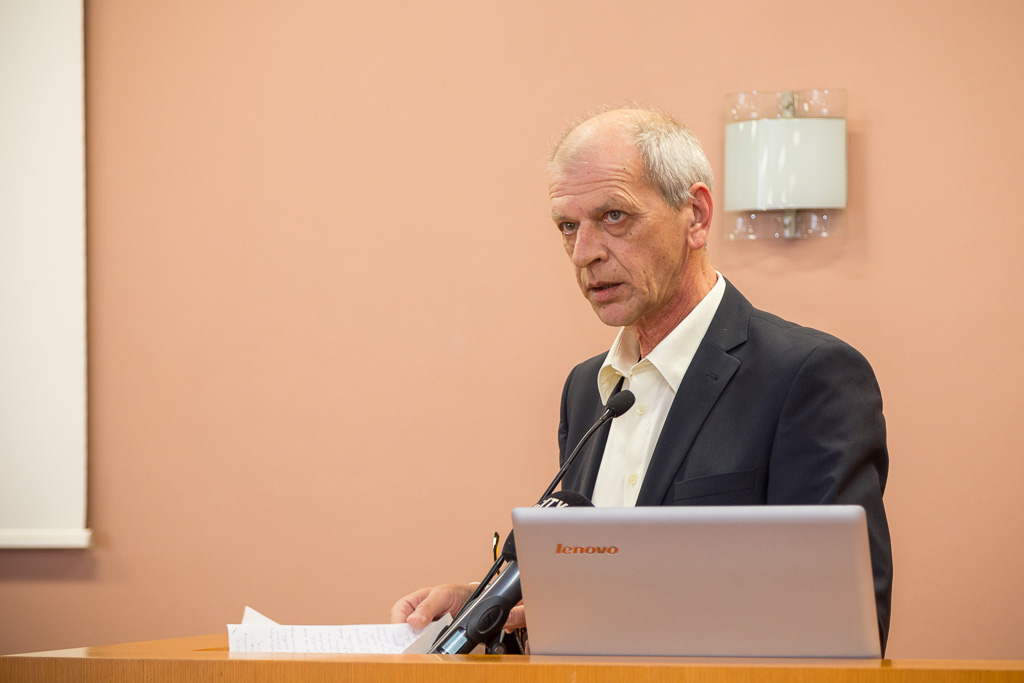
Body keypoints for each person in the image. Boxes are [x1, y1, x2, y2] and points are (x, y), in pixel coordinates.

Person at [390, 107, 893, 653]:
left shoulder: (807, 376)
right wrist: (490, 609)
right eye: (568, 226)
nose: (585, 253)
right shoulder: (588, 389)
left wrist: (616, 622)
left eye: (613, 216)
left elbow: (834, 621)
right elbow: (590, 588)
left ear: (696, 216)